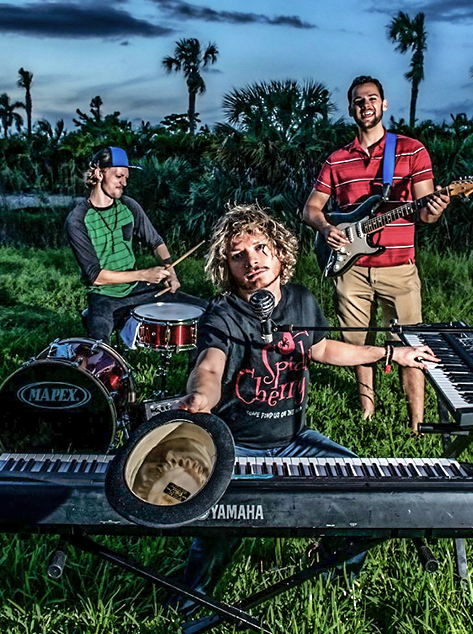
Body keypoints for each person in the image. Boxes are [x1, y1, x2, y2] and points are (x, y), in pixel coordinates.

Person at [175, 203, 439, 611]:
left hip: (294, 440)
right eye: (238, 255)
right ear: (226, 268)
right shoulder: (222, 314)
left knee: (360, 489)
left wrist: (392, 353)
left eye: (261, 248)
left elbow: (323, 348)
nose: (253, 261)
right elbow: (209, 366)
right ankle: (191, 599)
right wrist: (201, 398)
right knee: (219, 522)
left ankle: (338, 580)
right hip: (236, 444)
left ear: (280, 252)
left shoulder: (300, 300)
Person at [302, 75, 450, 435]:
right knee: (356, 342)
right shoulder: (337, 160)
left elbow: (425, 214)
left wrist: (438, 206)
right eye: (357, 100)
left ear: (384, 105)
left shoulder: (411, 151)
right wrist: (327, 229)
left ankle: (417, 423)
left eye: (371, 99)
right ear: (351, 108)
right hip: (350, 269)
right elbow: (311, 209)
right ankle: (367, 409)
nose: (364, 105)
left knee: (409, 344)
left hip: (399, 268)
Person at [65, 146, 205, 344]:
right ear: (98, 173)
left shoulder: (129, 206)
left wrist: (171, 272)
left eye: (126, 177)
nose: (124, 183)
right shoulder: (77, 220)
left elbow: (156, 243)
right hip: (104, 297)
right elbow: (95, 276)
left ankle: (198, 371)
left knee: (204, 312)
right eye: (119, 176)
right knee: (98, 346)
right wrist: (144, 274)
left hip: (137, 290)